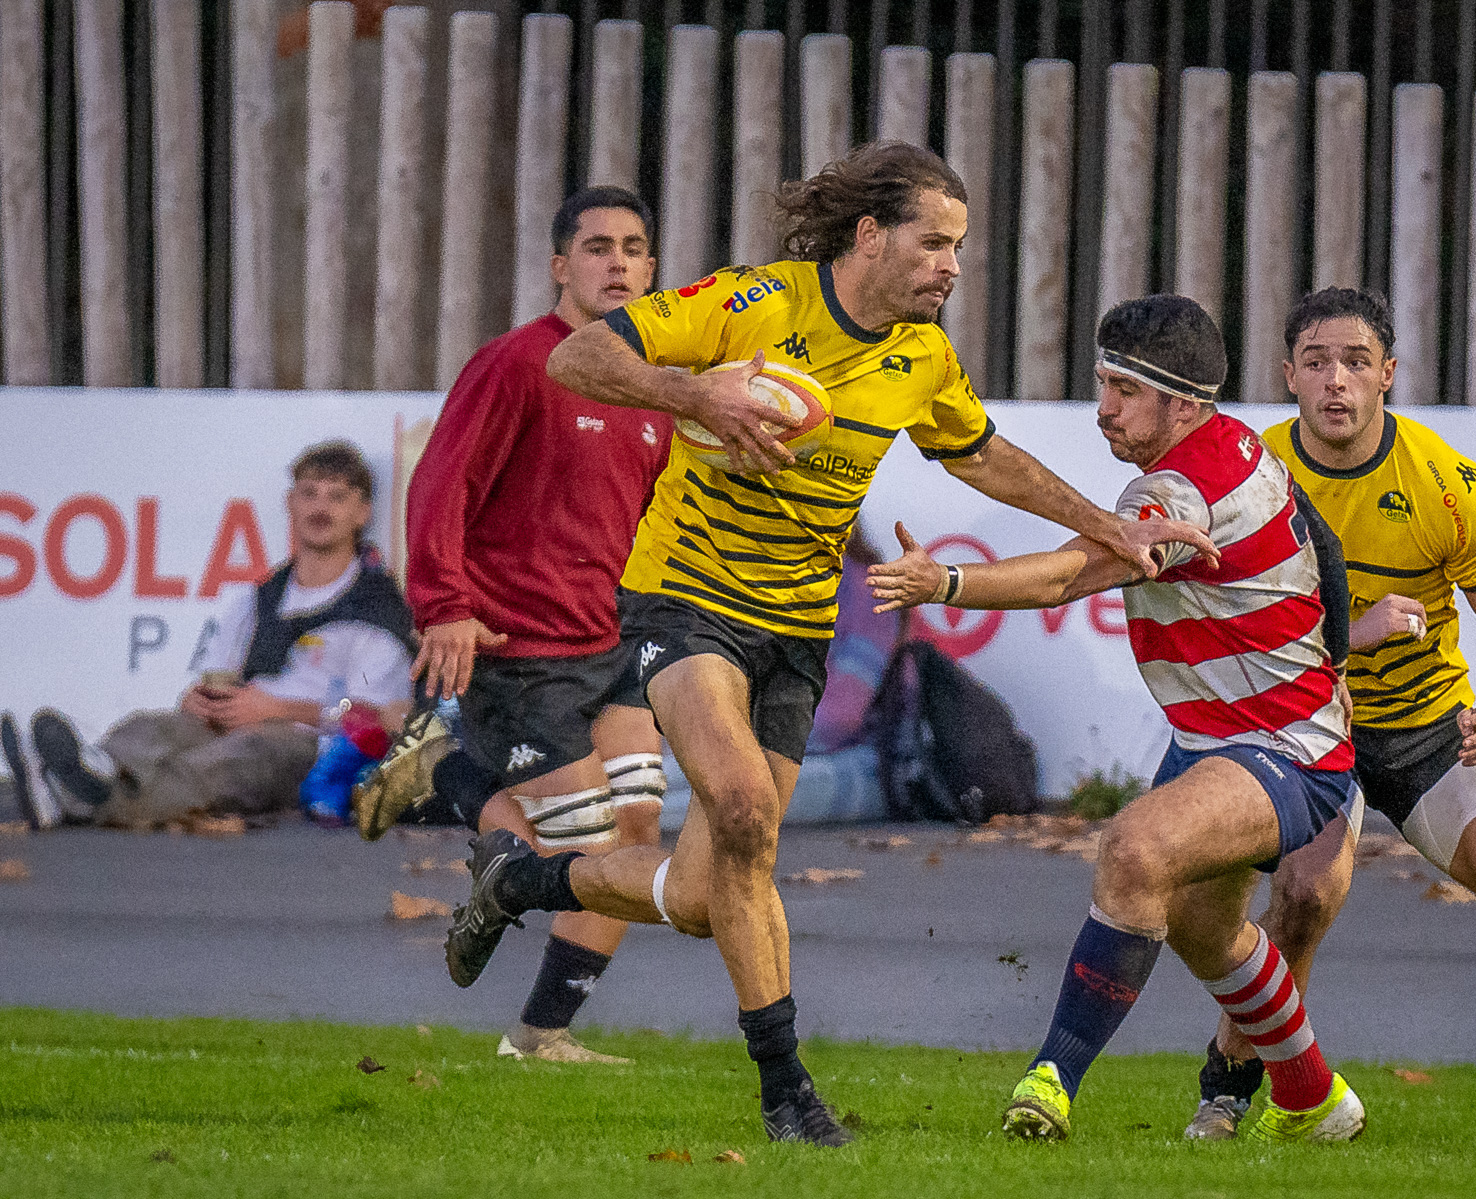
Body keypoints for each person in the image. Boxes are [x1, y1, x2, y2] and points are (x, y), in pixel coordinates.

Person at [441, 142, 1200, 1146]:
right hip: (684, 598)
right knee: (747, 806)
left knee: (713, 889)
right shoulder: (756, 302)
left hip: (798, 628)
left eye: (961, 249)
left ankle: (519, 878)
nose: (951, 266)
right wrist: (697, 394)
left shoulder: (921, 357)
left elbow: (985, 456)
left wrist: (1114, 527)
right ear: (871, 235)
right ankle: (786, 1089)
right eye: (935, 242)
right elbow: (577, 356)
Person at [869, 294, 1368, 1145]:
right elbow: (1325, 552)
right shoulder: (1232, 450)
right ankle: (1316, 1098)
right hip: (1225, 741)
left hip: (1285, 749)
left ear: (1183, 402)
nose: (1102, 406)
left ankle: (1052, 1079)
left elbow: (1064, 578)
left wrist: (944, 583)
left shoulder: (1186, 490)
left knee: (1135, 848)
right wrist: (1339, 660)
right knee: (1207, 932)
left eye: (1121, 389)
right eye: (1101, 383)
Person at [1184, 288, 1476, 1140]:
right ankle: (1228, 1091)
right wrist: (1348, 639)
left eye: (1356, 362)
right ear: (1287, 375)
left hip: (1430, 727)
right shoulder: (1252, 474)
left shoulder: (1444, 480)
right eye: (1317, 362)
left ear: (1388, 376)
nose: (1336, 382)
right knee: (1301, 898)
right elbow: (1222, 618)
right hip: (1307, 724)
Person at [381, 186, 673, 1064]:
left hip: (615, 646)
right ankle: (452, 779)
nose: (616, 261)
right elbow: (440, 484)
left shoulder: (656, 384)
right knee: (589, 853)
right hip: (524, 655)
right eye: (596, 247)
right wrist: (444, 605)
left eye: (632, 247)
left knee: (638, 837)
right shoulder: (515, 364)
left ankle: (542, 1034)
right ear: (560, 267)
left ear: (653, 269)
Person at [9, 442, 414, 830]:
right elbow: (218, 676)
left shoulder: (374, 608)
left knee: (229, 761)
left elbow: (378, 719)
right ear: (291, 503)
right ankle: (82, 775)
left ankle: (79, 794)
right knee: (150, 728)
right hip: (240, 719)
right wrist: (201, 701)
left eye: (337, 497)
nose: (320, 507)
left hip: (307, 743)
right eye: (309, 494)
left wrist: (278, 709)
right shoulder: (259, 599)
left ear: (362, 512)